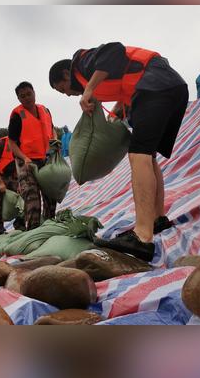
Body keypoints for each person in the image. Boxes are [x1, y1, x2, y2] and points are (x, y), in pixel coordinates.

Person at [49, 43, 189, 262]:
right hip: (171, 87)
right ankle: (157, 219)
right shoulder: (100, 76)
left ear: (67, 74)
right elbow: (124, 79)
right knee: (148, 156)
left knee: (138, 154)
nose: (67, 94)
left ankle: (142, 236)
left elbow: (114, 51)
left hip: (155, 85)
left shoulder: (81, 62)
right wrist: (114, 113)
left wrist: (88, 90)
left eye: (63, 88)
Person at [8, 81, 57, 230]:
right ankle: (33, 230)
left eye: (29, 94)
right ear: (19, 99)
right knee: (32, 198)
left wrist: (55, 143)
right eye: (22, 96)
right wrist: (24, 158)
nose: (27, 98)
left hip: (46, 159)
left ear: (34, 92)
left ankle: (50, 227)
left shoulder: (45, 110)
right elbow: (12, 143)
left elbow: (52, 129)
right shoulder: (17, 116)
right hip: (27, 162)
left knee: (50, 196)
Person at [0, 136, 26, 236]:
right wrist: (0, 183)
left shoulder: (21, 145)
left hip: (11, 175)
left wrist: (18, 184)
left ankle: (20, 225)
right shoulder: (0, 145)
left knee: (20, 198)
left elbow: (19, 166)